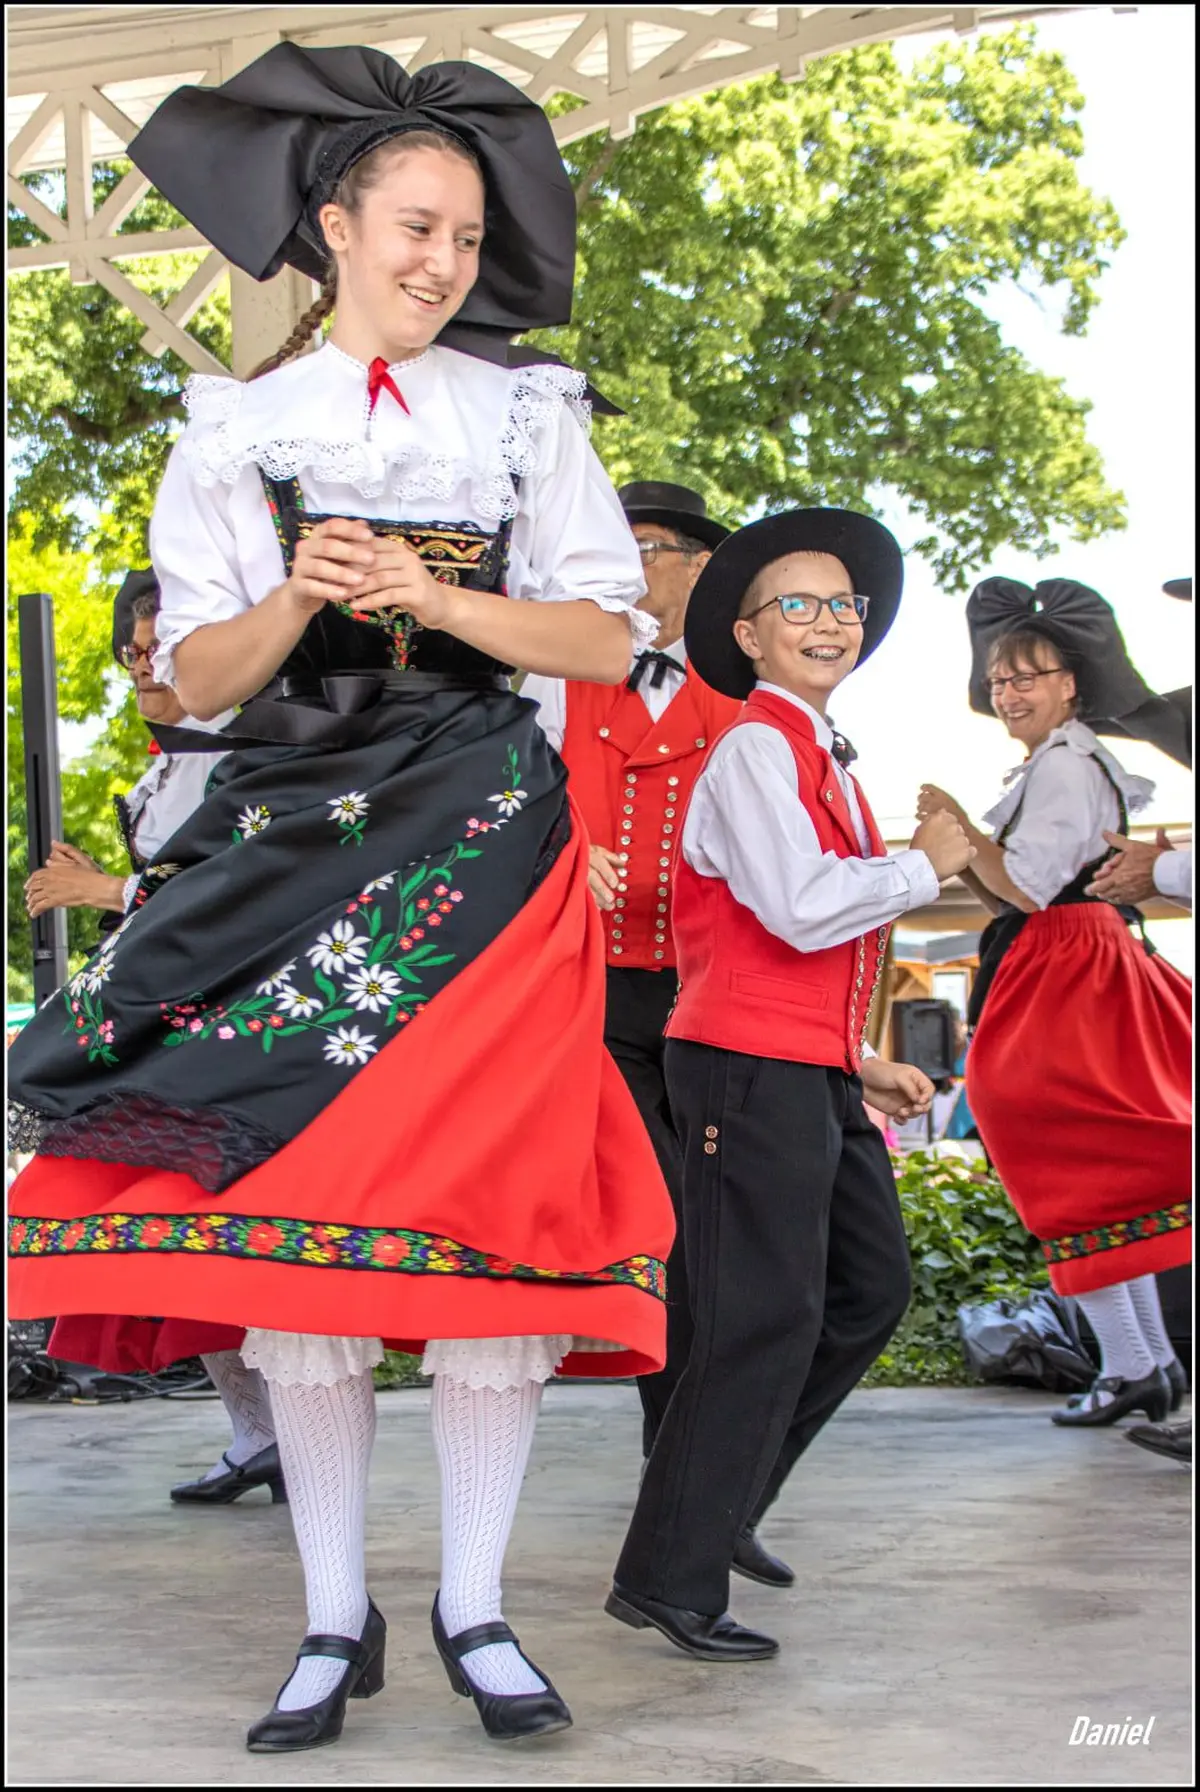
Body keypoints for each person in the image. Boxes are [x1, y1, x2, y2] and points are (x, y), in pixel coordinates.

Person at [8, 46, 673, 1752]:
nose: (444, 259)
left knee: (482, 1238)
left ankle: (474, 1604)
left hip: (490, 854)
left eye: (464, 233)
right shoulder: (238, 428)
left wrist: (442, 609)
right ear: (333, 225)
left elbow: (608, 637)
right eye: (415, 225)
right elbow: (195, 692)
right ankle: (329, 1614)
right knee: (303, 1252)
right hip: (292, 851)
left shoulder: (527, 414)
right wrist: (303, 592)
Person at [608, 507, 973, 1662]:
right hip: (743, 1066)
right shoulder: (756, 747)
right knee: (755, 1314)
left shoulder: (818, 752)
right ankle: (672, 1569)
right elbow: (800, 906)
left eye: (845, 605)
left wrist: (859, 1056)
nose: (830, 621)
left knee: (868, 1288)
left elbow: (794, 935)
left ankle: (717, 1504)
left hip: (806, 1063)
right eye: (800, 606)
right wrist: (930, 864)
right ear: (751, 637)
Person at [520, 481, 792, 1573]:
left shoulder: (752, 701)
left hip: (715, 996)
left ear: (696, 566)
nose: (624, 563)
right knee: (665, 1241)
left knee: (742, 1259)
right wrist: (554, 856)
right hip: (588, 997)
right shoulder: (553, 672)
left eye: (645, 546)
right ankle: (683, 1507)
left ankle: (709, 1497)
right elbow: (488, 800)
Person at [25, 573, 283, 1504]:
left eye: (158, 649)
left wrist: (109, 894)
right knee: (155, 1240)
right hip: (153, 1023)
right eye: (133, 652)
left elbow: (245, 900)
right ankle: (258, 1434)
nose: (143, 667)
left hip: (228, 1032)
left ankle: (287, 1432)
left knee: (207, 1236)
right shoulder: (169, 762)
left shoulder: (252, 757)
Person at [917, 576, 1191, 1430]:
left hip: (1069, 965)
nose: (1010, 694)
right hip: (1078, 958)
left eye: (1028, 676)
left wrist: (961, 835)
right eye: (1001, 681)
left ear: (1070, 682)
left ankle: (1139, 1364)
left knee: (1064, 1151)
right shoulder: (1064, 762)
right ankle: (1141, 1365)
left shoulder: (1069, 766)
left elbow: (1028, 890)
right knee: (1092, 1165)